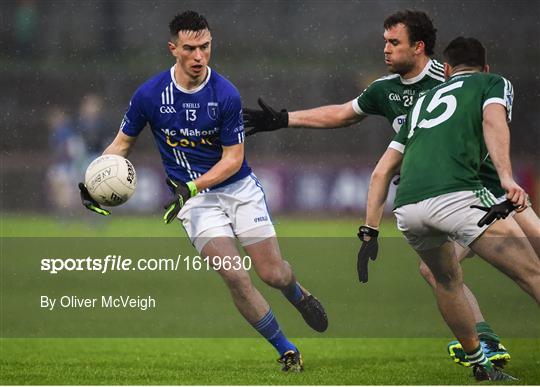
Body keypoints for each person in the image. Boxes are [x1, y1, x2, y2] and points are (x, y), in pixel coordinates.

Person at [243, 9, 540, 367]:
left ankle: (482, 345)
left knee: (526, 266)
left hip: (486, 191)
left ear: (418, 47)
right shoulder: (386, 89)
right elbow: (343, 113)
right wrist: (285, 119)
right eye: (384, 41)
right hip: (453, 197)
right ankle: (485, 344)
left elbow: (490, 121)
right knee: (437, 271)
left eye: (393, 42)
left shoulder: (446, 80)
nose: (385, 49)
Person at [78, 11, 328, 372]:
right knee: (234, 275)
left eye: (205, 47)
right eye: (191, 48)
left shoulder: (225, 93)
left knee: (272, 273)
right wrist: (91, 182)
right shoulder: (149, 95)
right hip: (194, 203)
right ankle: (286, 349)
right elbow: (121, 144)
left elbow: (233, 160)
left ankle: (297, 293)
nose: (199, 56)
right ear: (173, 49)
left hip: (237, 189)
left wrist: (190, 185)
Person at [359, 36, 540, 381]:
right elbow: (492, 122)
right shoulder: (493, 83)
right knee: (533, 273)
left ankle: (479, 363)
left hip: (409, 206)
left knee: (444, 279)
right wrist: (507, 178)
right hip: (461, 196)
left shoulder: (423, 100)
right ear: (485, 68)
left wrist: (369, 230)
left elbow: (382, 170)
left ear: (445, 69)